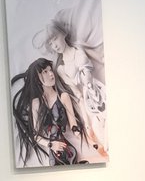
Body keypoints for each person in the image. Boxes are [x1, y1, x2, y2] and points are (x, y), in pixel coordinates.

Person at [38, 12, 108, 160]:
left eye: (55, 38)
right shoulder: (61, 69)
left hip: (98, 91)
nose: (54, 45)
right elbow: (78, 95)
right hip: (87, 102)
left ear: (63, 34)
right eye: (50, 43)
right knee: (98, 131)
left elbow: (94, 67)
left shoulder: (79, 50)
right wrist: (86, 121)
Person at [10, 58, 78, 167]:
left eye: (50, 70)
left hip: (68, 150)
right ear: (37, 78)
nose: (51, 74)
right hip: (53, 152)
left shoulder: (63, 97)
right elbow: (36, 135)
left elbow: (74, 127)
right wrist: (50, 145)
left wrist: (91, 140)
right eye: (45, 72)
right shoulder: (36, 103)